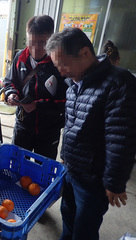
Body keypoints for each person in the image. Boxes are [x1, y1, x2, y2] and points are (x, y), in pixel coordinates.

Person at [45, 27, 136, 240]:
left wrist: (114, 182)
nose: (61, 72)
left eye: (63, 64)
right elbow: (71, 127)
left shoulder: (119, 83)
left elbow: (120, 137)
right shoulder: (74, 85)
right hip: (71, 170)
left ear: (85, 53)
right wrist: (65, 156)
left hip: (93, 180)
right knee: (68, 216)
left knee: (84, 229)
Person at [3, 15, 67, 160]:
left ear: (51, 40)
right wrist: (11, 94)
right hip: (23, 126)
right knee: (17, 162)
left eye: (42, 43)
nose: (36, 48)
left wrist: (38, 106)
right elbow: (9, 81)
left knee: (42, 168)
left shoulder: (59, 63)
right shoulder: (20, 57)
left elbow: (66, 100)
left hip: (49, 130)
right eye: (31, 42)